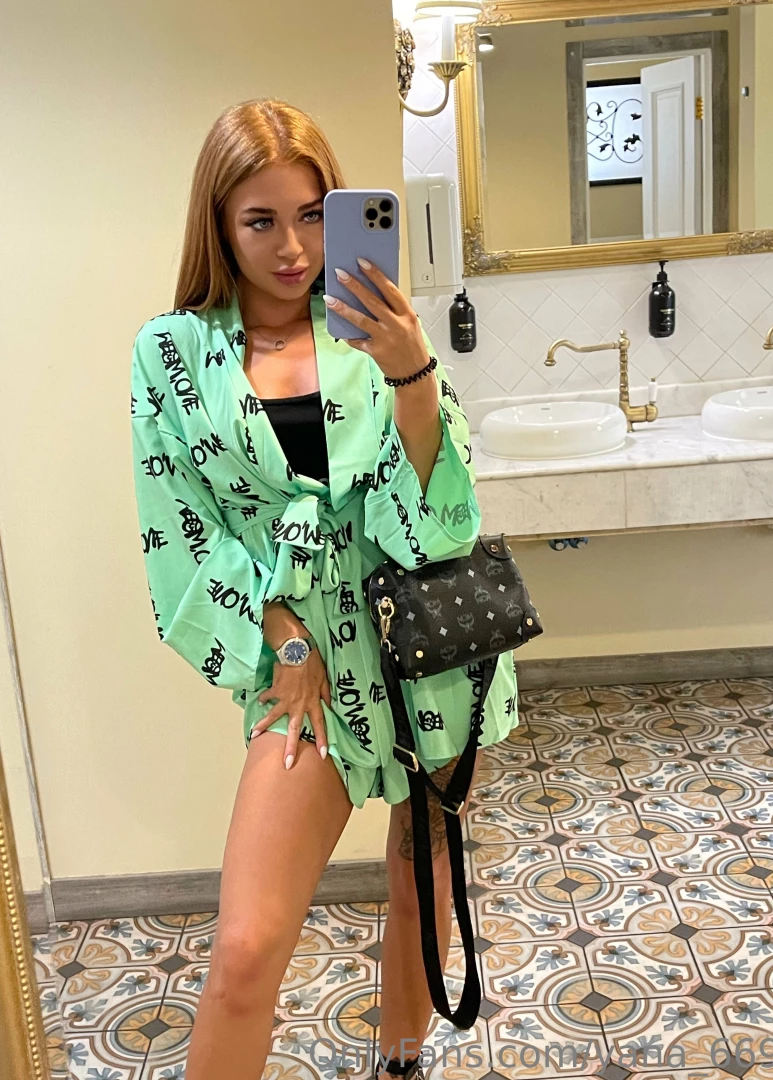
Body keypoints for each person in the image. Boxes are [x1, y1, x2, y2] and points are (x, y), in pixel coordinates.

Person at [130, 98, 520, 1080]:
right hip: (301, 667)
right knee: (245, 950)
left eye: (312, 214)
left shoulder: (373, 332)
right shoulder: (172, 355)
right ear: (220, 225)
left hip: (424, 649)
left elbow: (439, 518)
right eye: (261, 221)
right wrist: (288, 642)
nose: (294, 247)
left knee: (421, 884)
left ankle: (400, 1062)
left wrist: (412, 372)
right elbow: (183, 532)